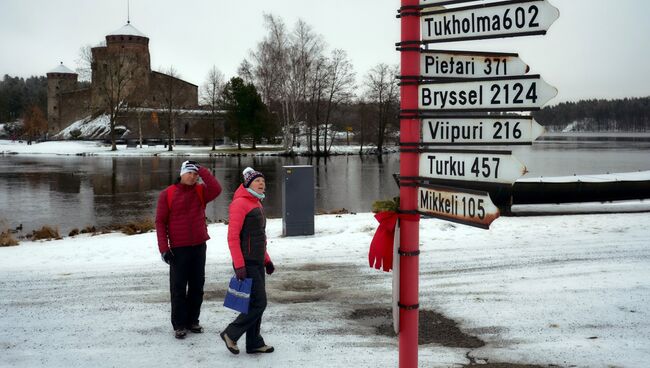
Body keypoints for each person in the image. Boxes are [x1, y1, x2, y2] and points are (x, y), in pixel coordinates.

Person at [155, 160, 222, 339]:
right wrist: (164, 248)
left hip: (199, 246)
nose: (192, 176)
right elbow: (160, 222)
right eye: (189, 173)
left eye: (195, 174)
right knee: (178, 288)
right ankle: (179, 324)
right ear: (182, 173)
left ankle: (193, 320)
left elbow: (216, 189)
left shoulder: (200, 191)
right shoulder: (167, 194)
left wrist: (202, 169)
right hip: (178, 249)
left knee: (196, 286)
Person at [220, 167, 275, 355]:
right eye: (257, 181)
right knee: (260, 303)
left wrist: (267, 260)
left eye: (263, 181)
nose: (262, 184)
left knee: (254, 303)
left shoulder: (256, 202)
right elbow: (233, 237)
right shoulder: (240, 203)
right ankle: (231, 333)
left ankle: (254, 342)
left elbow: (259, 236)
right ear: (248, 183)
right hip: (247, 261)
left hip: (257, 260)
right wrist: (239, 264)